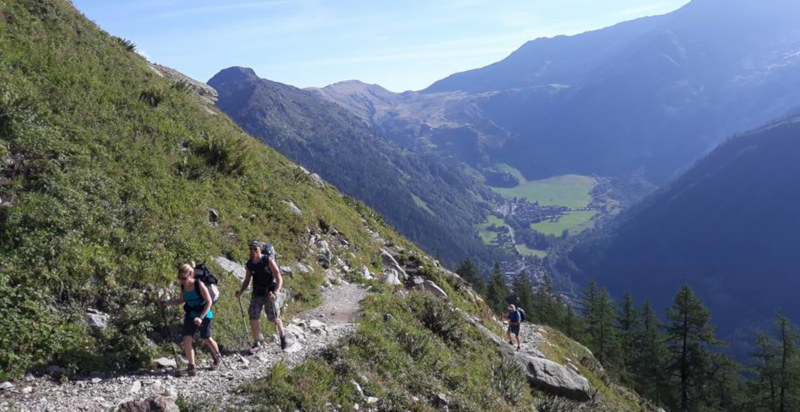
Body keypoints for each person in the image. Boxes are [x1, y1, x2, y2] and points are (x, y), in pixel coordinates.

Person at [161, 263, 222, 376]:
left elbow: (208, 302)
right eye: (180, 278)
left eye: (184, 278)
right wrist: (166, 303)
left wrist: (201, 317)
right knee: (186, 338)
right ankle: (192, 366)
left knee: (206, 338)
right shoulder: (183, 286)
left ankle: (217, 358)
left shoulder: (199, 284)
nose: (182, 281)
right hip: (190, 314)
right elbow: (181, 300)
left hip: (204, 314)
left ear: (190, 275)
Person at [235, 240, 287, 353]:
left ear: (259, 249)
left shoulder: (267, 260)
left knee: (273, 317)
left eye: (255, 249)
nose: (252, 251)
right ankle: (257, 342)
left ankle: (283, 336)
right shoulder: (250, 263)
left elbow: (279, 278)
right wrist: (241, 291)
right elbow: (247, 280)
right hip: (257, 292)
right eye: (251, 249)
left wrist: (275, 293)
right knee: (253, 315)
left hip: (269, 293)